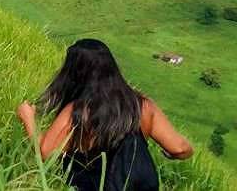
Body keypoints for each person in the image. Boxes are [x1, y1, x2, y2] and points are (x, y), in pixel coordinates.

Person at [16, 39, 192, 191]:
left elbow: (45, 155)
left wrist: (28, 119)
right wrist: (172, 155)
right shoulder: (142, 105)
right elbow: (181, 148)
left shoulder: (78, 111)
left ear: (73, 74)